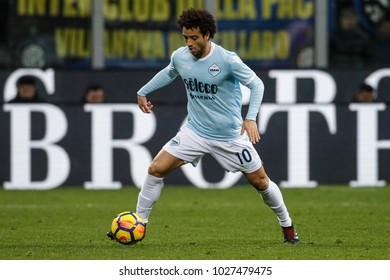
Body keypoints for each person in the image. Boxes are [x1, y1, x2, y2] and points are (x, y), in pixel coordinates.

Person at [123, 8, 299, 244]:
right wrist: (143, 91)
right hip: (194, 132)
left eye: (194, 38)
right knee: (156, 169)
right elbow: (170, 72)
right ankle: (139, 224)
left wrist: (251, 117)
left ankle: (287, 226)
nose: (189, 43)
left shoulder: (227, 60)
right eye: (185, 37)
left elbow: (257, 84)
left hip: (229, 137)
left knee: (261, 182)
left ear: (207, 35)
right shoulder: (180, 56)